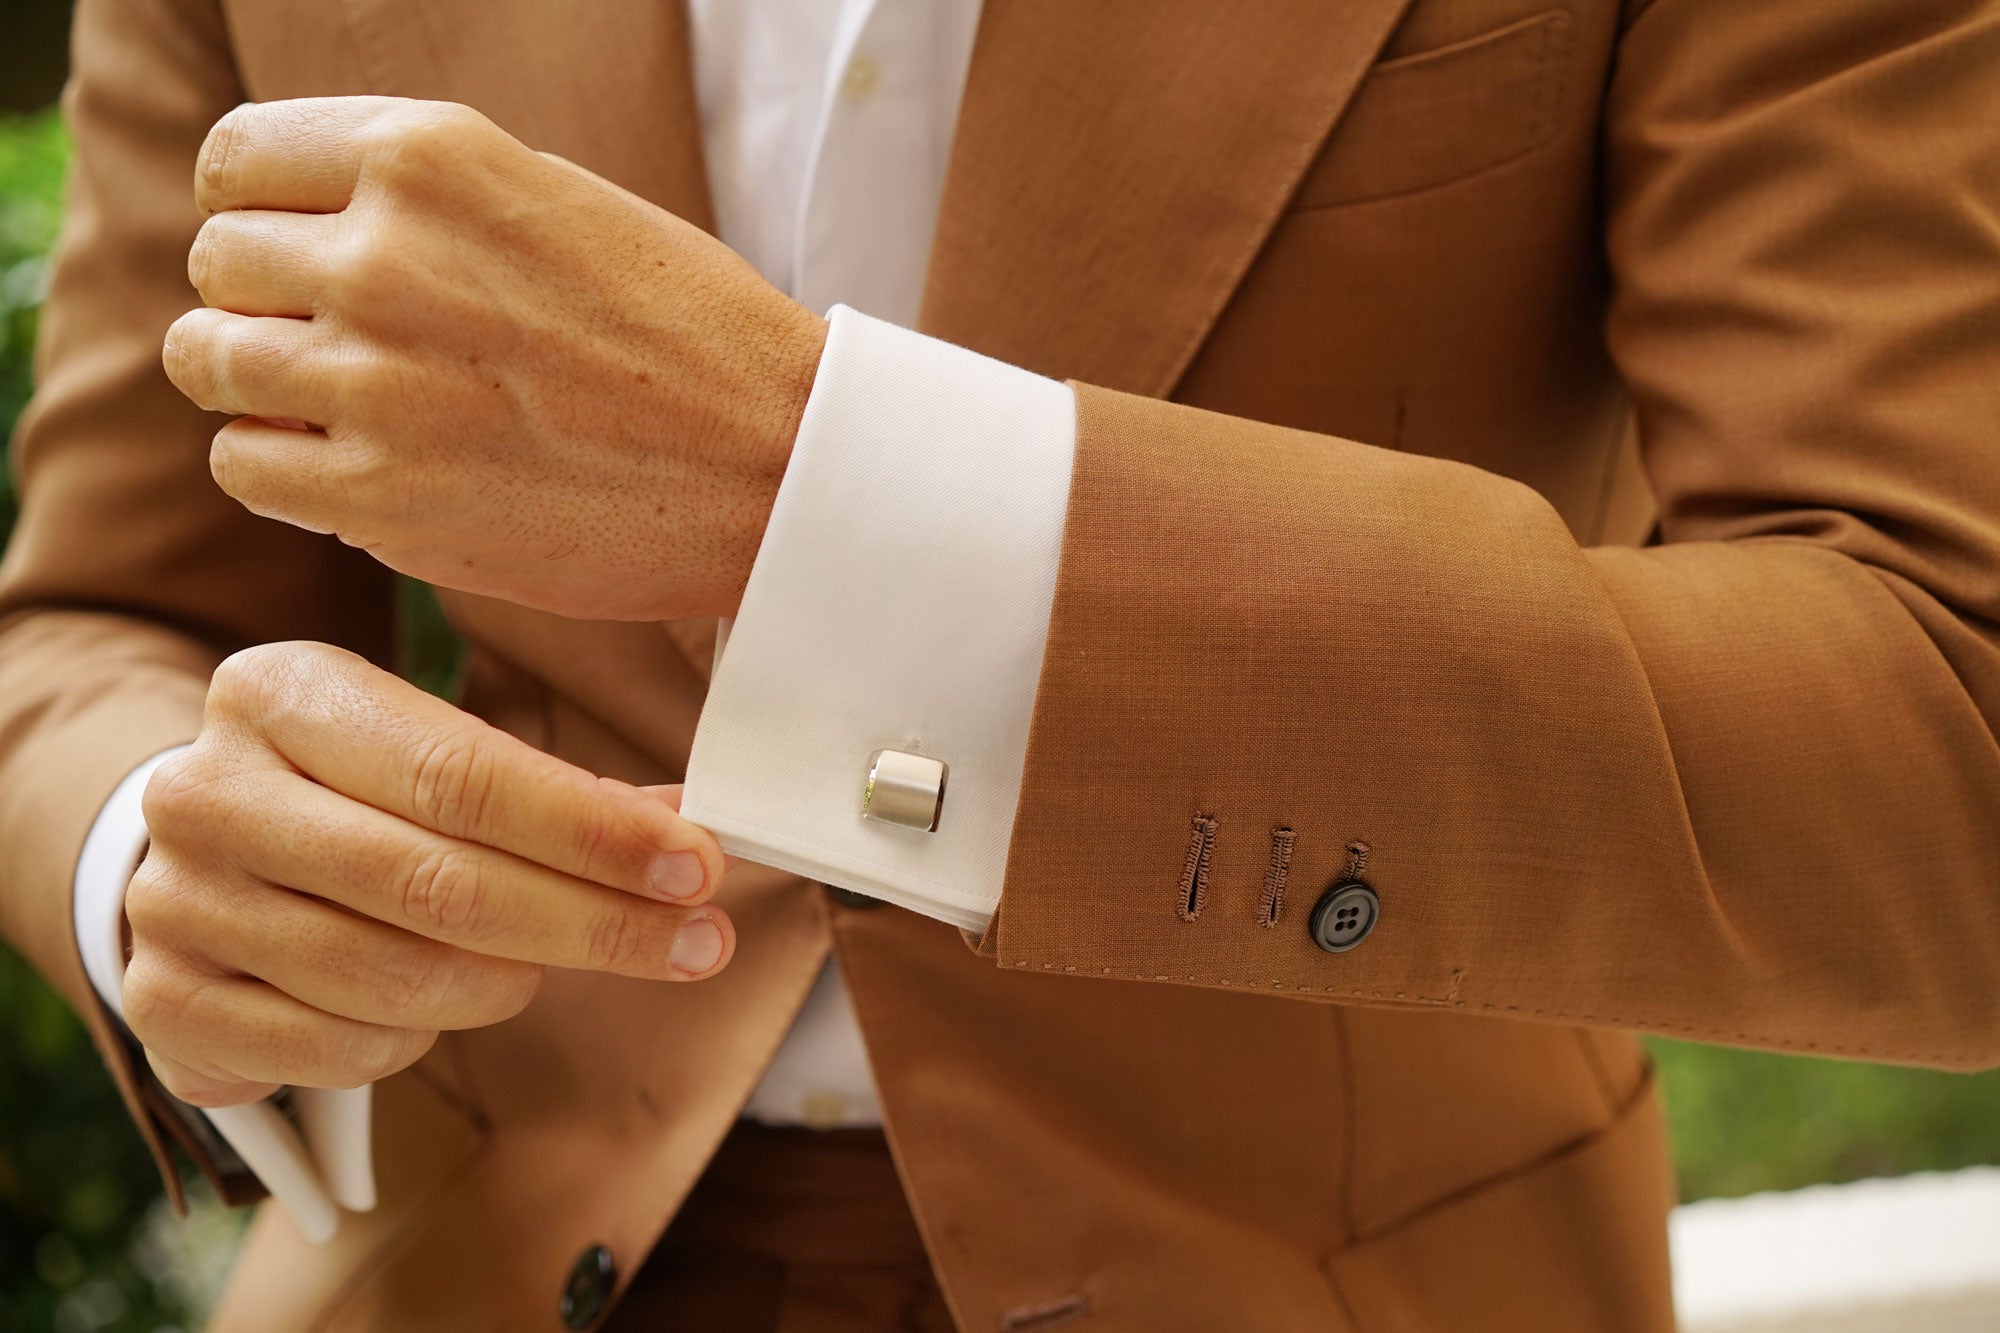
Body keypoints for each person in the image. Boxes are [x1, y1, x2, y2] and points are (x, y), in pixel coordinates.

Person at [4, 0, 1998, 1327]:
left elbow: (1944, 743)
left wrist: (820, 480)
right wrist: (155, 858)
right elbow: (93, 624)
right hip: (468, 1250)